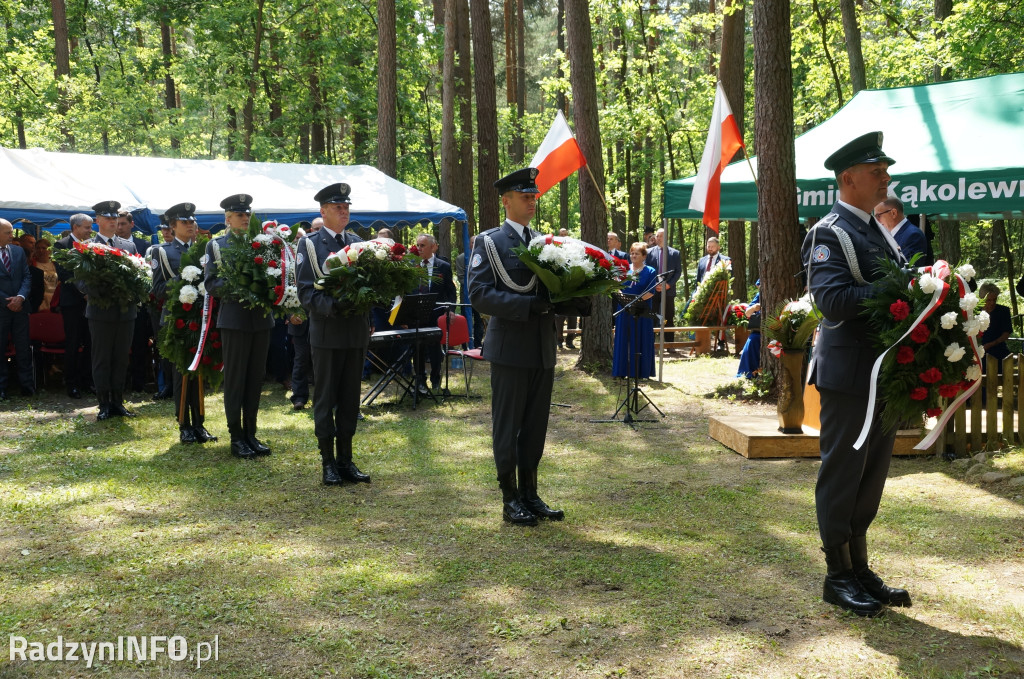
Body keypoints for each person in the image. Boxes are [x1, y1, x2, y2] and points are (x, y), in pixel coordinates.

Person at [801, 131, 911, 617]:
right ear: (848, 178)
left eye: (885, 170)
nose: (885, 178)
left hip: (881, 373)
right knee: (843, 473)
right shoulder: (830, 231)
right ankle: (836, 575)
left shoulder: (874, 229)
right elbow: (832, 301)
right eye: (876, 171)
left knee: (871, 475)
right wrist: (896, 296)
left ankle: (859, 566)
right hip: (849, 375)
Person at [468, 167, 589, 526]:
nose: (532, 200)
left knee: (535, 427)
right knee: (508, 427)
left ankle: (531, 493)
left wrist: (577, 300)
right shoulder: (489, 242)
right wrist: (526, 306)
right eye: (525, 196)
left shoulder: (543, 243)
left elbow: (552, 292)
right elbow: (478, 295)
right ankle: (509, 499)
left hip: (540, 348)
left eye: (534, 195)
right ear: (506, 201)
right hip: (509, 348)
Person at [296, 182, 373, 486]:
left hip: (354, 332)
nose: (344, 211)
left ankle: (346, 460)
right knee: (326, 398)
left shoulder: (357, 241)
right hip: (328, 331)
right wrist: (335, 306)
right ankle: (328, 462)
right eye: (338, 207)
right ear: (323, 211)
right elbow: (305, 293)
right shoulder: (310, 245)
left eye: (346, 207)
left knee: (350, 398)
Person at [204, 194, 274, 459]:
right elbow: (211, 284)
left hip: (261, 319)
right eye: (239, 215)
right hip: (234, 319)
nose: (245, 218)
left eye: (247, 214)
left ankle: (251, 433)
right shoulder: (217, 246)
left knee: (255, 378)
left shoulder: (262, 243)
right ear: (228, 218)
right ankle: (236, 436)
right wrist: (242, 284)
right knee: (236, 379)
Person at [151, 202, 217, 444]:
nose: (191, 225)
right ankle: (184, 425)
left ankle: (199, 424)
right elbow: (158, 289)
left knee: (198, 371)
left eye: (192, 221)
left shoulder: (205, 249)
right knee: (181, 373)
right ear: (173, 226)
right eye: (185, 222)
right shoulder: (163, 252)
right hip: (176, 320)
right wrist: (184, 279)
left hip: (201, 318)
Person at [86, 200, 139, 419]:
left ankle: (118, 401)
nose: (112, 221)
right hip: (101, 311)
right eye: (107, 218)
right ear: (97, 220)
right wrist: (102, 291)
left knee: (121, 358)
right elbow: (80, 281)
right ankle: (104, 404)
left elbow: (139, 275)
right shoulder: (87, 246)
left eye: (114, 217)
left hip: (126, 311)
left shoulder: (128, 246)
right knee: (102, 358)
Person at [53, 213, 94, 398]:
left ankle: (87, 381)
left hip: (91, 302)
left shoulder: (94, 245)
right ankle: (72, 383)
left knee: (90, 342)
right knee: (73, 342)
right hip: (72, 304)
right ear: (75, 227)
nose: (90, 230)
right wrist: (83, 293)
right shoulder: (60, 245)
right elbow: (65, 274)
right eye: (87, 227)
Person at [413, 233, 457, 394]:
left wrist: (451, 310)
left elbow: (451, 292)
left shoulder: (443, 266)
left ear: (433, 247)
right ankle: (420, 380)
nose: (419, 248)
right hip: (417, 315)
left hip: (436, 314)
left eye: (422, 245)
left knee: (435, 350)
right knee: (417, 349)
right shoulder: (413, 265)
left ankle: (436, 379)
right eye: (418, 245)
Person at [612, 242, 657, 378]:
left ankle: (641, 372)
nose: (633, 255)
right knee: (622, 338)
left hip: (641, 309)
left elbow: (651, 292)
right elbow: (616, 286)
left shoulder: (650, 271)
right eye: (632, 253)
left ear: (644, 256)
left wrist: (635, 302)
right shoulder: (624, 269)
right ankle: (620, 371)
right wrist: (624, 299)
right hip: (624, 307)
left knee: (641, 338)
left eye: (637, 253)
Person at [0, 219, 34, 400]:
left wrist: (20, 297)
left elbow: (27, 277)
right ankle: (2, 387)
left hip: (20, 307)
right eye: (7, 232)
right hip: (2, 308)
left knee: (23, 347)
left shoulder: (18, 251)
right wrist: (7, 302)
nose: (12, 236)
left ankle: (26, 385)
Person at [646, 227, 682, 341]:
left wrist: (669, 284)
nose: (659, 238)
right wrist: (654, 284)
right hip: (653, 289)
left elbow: (678, 272)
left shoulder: (675, 253)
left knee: (668, 317)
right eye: (657, 236)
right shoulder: (649, 252)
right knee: (652, 316)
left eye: (661, 236)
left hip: (668, 290)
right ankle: (651, 342)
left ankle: (670, 343)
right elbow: (647, 270)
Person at [873, 197, 930, 265]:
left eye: (878, 216)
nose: (876, 221)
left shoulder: (913, 235)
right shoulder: (888, 235)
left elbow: (908, 270)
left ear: (893, 213)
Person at [978, 282, 1011, 366]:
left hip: (999, 351)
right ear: (982, 298)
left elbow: (1006, 334)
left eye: (994, 300)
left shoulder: (1003, 311)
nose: (992, 303)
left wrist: (990, 345)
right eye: (989, 300)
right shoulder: (975, 311)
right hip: (978, 352)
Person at [736, 280, 762, 379]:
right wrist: (755, 307)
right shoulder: (759, 295)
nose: (759, 287)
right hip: (759, 330)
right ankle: (748, 372)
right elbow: (747, 313)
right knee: (752, 340)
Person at [32, 238, 58, 312]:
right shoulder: (32, 265)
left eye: (44, 248)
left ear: (49, 250)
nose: (41, 250)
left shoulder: (55, 265)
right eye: (38, 248)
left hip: (54, 299)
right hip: (39, 301)